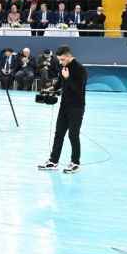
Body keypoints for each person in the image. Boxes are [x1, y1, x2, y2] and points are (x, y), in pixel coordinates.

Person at [39, 46, 87, 174]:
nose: (60, 62)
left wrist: (67, 78)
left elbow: (78, 89)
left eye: (62, 59)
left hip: (77, 106)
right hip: (64, 105)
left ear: (69, 56)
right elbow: (60, 83)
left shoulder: (80, 69)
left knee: (73, 135)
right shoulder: (63, 67)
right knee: (59, 133)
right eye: (59, 60)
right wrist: (51, 89)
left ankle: (75, 162)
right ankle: (53, 161)